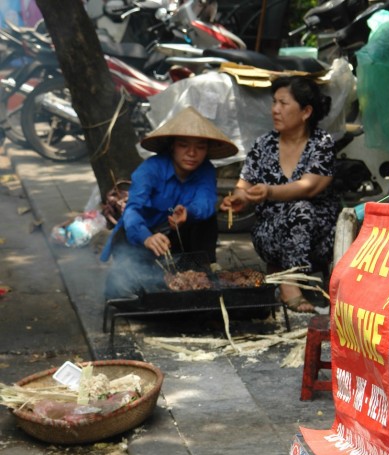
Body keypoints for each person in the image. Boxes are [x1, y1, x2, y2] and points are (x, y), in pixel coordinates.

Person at [220, 75, 340, 313]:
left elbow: (308, 186)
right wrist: (239, 198)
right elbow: (244, 184)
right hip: (271, 234)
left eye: (283, 104)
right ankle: (286, 278)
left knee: (302, 209)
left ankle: (288, 282)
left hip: (319, 237)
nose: (275, 110)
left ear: (306, 112)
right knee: (296, 213)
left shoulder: (321, 144)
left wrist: (269, 191)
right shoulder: (264, 144)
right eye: (274, 102)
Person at [101, 106, 238, 298]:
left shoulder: (206, 170)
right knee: (136, 286)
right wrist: (147, 237)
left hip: (174, 234)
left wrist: (188, 213)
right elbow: (132, 210)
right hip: (139, 235)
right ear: (172, 146)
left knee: (207, 220)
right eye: (184, 145)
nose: (192, 153)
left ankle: (204, 268)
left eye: (200, 147)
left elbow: (206, 202)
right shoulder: (150, 169)